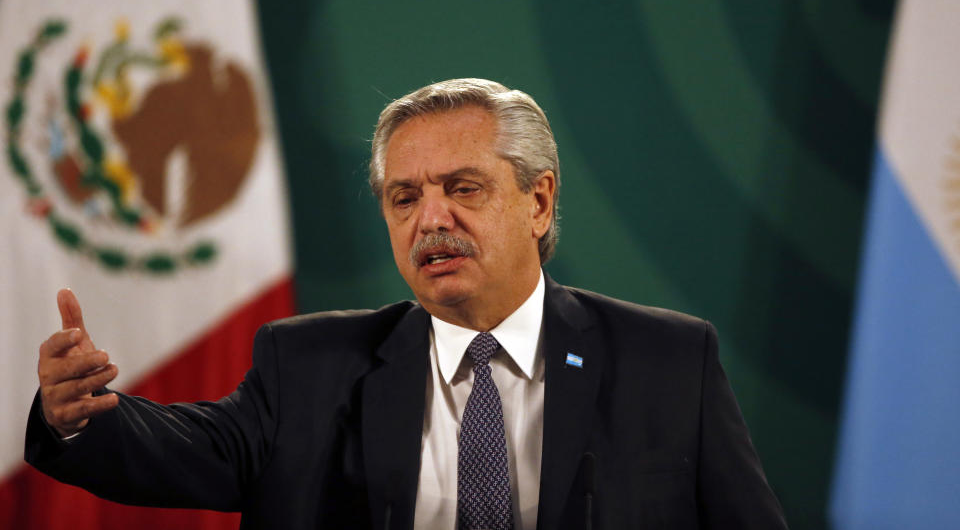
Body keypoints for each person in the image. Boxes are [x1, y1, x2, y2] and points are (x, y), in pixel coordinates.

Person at [27, 78, 788, 529]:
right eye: (404, 197)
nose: (431, 221)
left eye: (462, 189)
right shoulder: (311, 365)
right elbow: (191, 452)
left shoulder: (668, 361)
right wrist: (81, 415)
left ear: (539, 201)